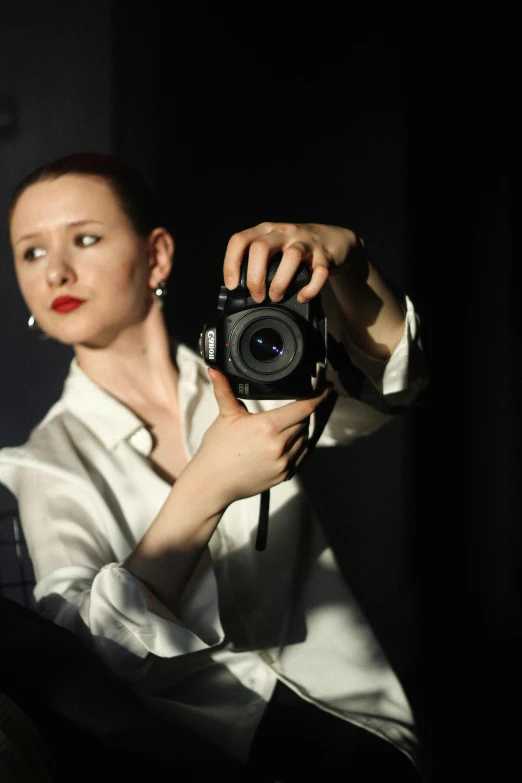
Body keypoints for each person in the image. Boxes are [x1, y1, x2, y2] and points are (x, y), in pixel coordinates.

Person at [0, 152, 428, 781]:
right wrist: (205, 489)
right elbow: (83, 664)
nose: (57, 271)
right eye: (31, 253)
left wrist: (351, 260)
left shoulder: (258, 360)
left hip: (356, 719)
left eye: (85, 239)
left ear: (158, 256)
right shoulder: (44, 462)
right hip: (196, 753)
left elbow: (395, 389)